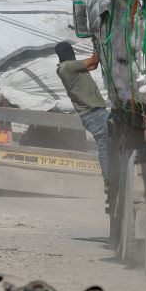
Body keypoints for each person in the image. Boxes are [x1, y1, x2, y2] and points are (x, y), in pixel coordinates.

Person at [54, 42, 109, 189]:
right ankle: (109, 181)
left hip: (93, 113)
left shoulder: (67, 68)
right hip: (93, 113)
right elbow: (94, 60)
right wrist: (97, 41)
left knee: (106, 145)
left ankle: (109, 179)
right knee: (105, 146)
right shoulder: (68, 66)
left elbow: (93, 66)